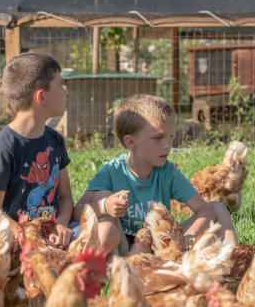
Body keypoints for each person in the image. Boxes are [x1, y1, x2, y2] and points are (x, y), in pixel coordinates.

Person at [74, 94, 236, 255]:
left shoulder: (168, 172)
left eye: (170, 136)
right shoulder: (111, 172)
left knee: (217, 207)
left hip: (161, 245)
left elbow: (204, 210)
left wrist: (189, 234)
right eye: (158, 138)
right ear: (131, 142)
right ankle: (114, 265)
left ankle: (234, 258)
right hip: (123, 247)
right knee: (101, 196)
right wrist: (105, 205)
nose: (167, 145)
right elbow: (77, 213)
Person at [0, 53, 73, 247]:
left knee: (96, 236)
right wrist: (30, 238)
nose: (66, 92)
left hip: (53, 235)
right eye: (60, 85)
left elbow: (65, 197)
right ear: (41, 96)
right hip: (15, 240)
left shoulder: (55, 140)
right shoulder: (4, 147)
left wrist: (61, 226)